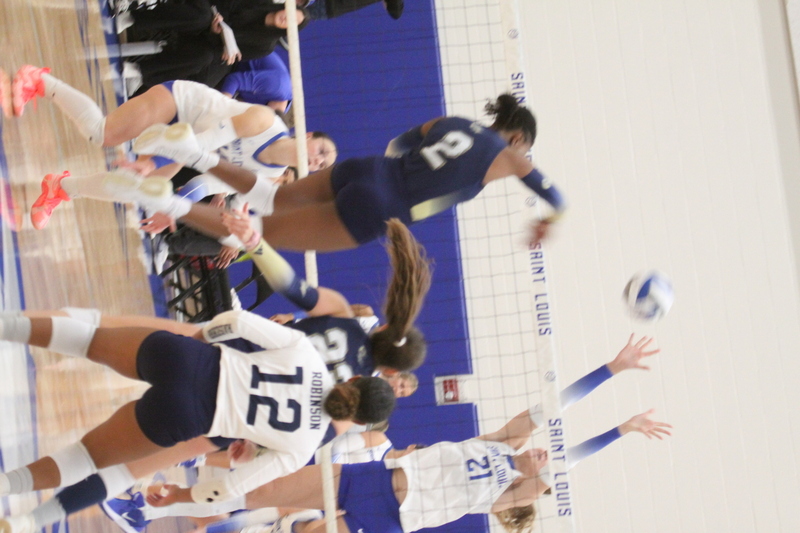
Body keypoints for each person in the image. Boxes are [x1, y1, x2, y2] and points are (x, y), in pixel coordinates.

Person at [130, 335, 672, 533]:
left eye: (545, 461)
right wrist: (611, 368)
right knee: (263, 490)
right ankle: (154, 508)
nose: (542, 452)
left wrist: (622, 429)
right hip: (369, 479)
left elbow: (569, 458)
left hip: (391, 520)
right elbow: (551, 407)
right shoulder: (501, 443)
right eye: (542, 450)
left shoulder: (513, 493)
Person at [0, 308, 395, 533]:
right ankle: (17, 508)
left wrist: (200, 341)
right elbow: (229, 488)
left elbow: (237, 320)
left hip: (189, 360)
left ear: (354, 381)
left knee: (86, 339)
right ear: (358, 420)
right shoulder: (304, 445)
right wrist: (180, 497)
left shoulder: (306, 352)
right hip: (188, 416)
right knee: (86, 458)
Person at [103, 93, 566, 252]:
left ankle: (194, 154)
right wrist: (550, 221)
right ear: (517, 138)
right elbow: (556, 198)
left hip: (369, 170)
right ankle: (163, 200)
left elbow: (398, 144)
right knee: (255, 234)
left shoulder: (454, 122)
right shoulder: (512, 157)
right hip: (381, 207)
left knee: (269, 198)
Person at [9, 66, 336, 229]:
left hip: (186, 142)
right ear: (308, 136)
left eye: (322, 165)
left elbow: (207, 183)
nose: (317, 161)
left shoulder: (269, 176)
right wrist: (153, 162)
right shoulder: (264, 121)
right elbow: (203, 144)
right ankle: (39, 80)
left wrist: (173, 210)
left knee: (135, 188)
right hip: (182, 106)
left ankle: (60, 188)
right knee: (101, 133)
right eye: (321, 151)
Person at [220, 209, 431, 376]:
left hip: (231, 348)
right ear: (391, 371)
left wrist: (252, 241)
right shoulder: (354, 394)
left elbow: (289, 285)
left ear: (385, 327)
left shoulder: (341, 313)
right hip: (237, 391)